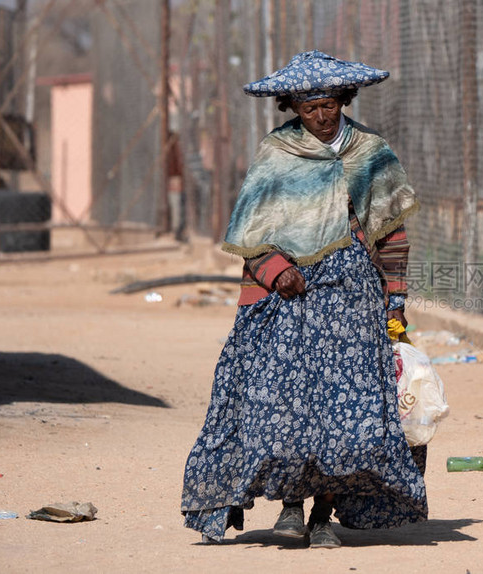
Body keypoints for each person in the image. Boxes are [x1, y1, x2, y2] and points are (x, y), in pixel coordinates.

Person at [180, 51, 426, 549]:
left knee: (348, 413)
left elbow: (392, 237)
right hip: (287, 302)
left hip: (352, 303)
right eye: (311, 106)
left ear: (345, 99)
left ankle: (322, 514)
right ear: (293, 105)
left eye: (331, 103)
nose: (322, 115)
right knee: (283, 404)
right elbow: (249, 234)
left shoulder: (371, 152)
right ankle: (291, 503)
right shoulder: (276, 153)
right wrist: (277, 270)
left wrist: (394, 300)